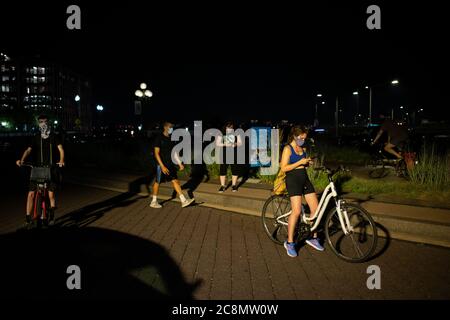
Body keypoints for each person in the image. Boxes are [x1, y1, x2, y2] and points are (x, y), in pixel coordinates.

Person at [280, 125, 324, 258]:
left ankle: (313, 237)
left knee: (316, 210)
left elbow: (302, 164)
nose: (303, 140)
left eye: (305, 138)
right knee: (297, 211)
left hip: (305, 179)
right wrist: (300, 162)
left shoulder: (303, 148)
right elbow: (284, 168)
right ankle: (290, 242)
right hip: (293, 181)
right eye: (301, 137)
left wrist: (306, 163)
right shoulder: (288, 149)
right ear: (294, 136)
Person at [16, 114, 65, 227]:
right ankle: (28, 218)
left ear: (48, 123)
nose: (43, 123)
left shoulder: (54, 136)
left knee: (51, 194)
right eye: (41, 121)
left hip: (50, 168)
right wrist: (22, 160)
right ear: (38, 123)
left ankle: (51, 216)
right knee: (31, 194)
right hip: (37, 169)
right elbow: (28, 150)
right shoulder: (36, 137)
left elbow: (61, 149)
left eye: (45, 121)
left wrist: (61, 160)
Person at [149, 122, 195, 208]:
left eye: (172, 128)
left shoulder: (171, 139)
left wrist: (180, 163)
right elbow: (156, 153)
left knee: (175, 181)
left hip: (170, 164)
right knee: (158, 182)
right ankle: (153, 202)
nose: (172, 129)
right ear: (165, 127)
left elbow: (174, 153)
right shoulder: (159, 138)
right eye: (170, 127)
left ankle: (183, 201)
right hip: (161, 165)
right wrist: (162, 166)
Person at [216, 121, 243, 193]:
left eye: (231, 127)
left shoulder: (236, 133)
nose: (230, 129)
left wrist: (235, 144)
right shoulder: (221, 133)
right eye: (228, 127)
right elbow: (218, 143)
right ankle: (222, 186)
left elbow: (240, 142)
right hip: (224, 154)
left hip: (234, 154)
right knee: (223, 169)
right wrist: (225, 144)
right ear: (225, 127)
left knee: (235, 169)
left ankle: (234, 185)